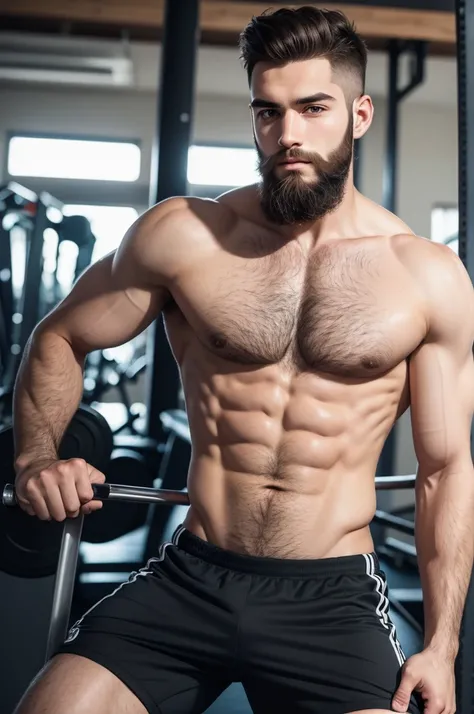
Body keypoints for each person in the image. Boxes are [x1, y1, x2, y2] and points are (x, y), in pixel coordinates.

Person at [11, 6, 474, 714]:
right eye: (269, 112)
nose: (288, 135)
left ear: (359, 114)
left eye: (313, 108)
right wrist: (37, 460)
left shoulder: (426, 276)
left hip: (333, 596)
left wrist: (441, 647)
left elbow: (444, 470)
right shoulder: (185, 236)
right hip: (191, 575)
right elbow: (58, 337)